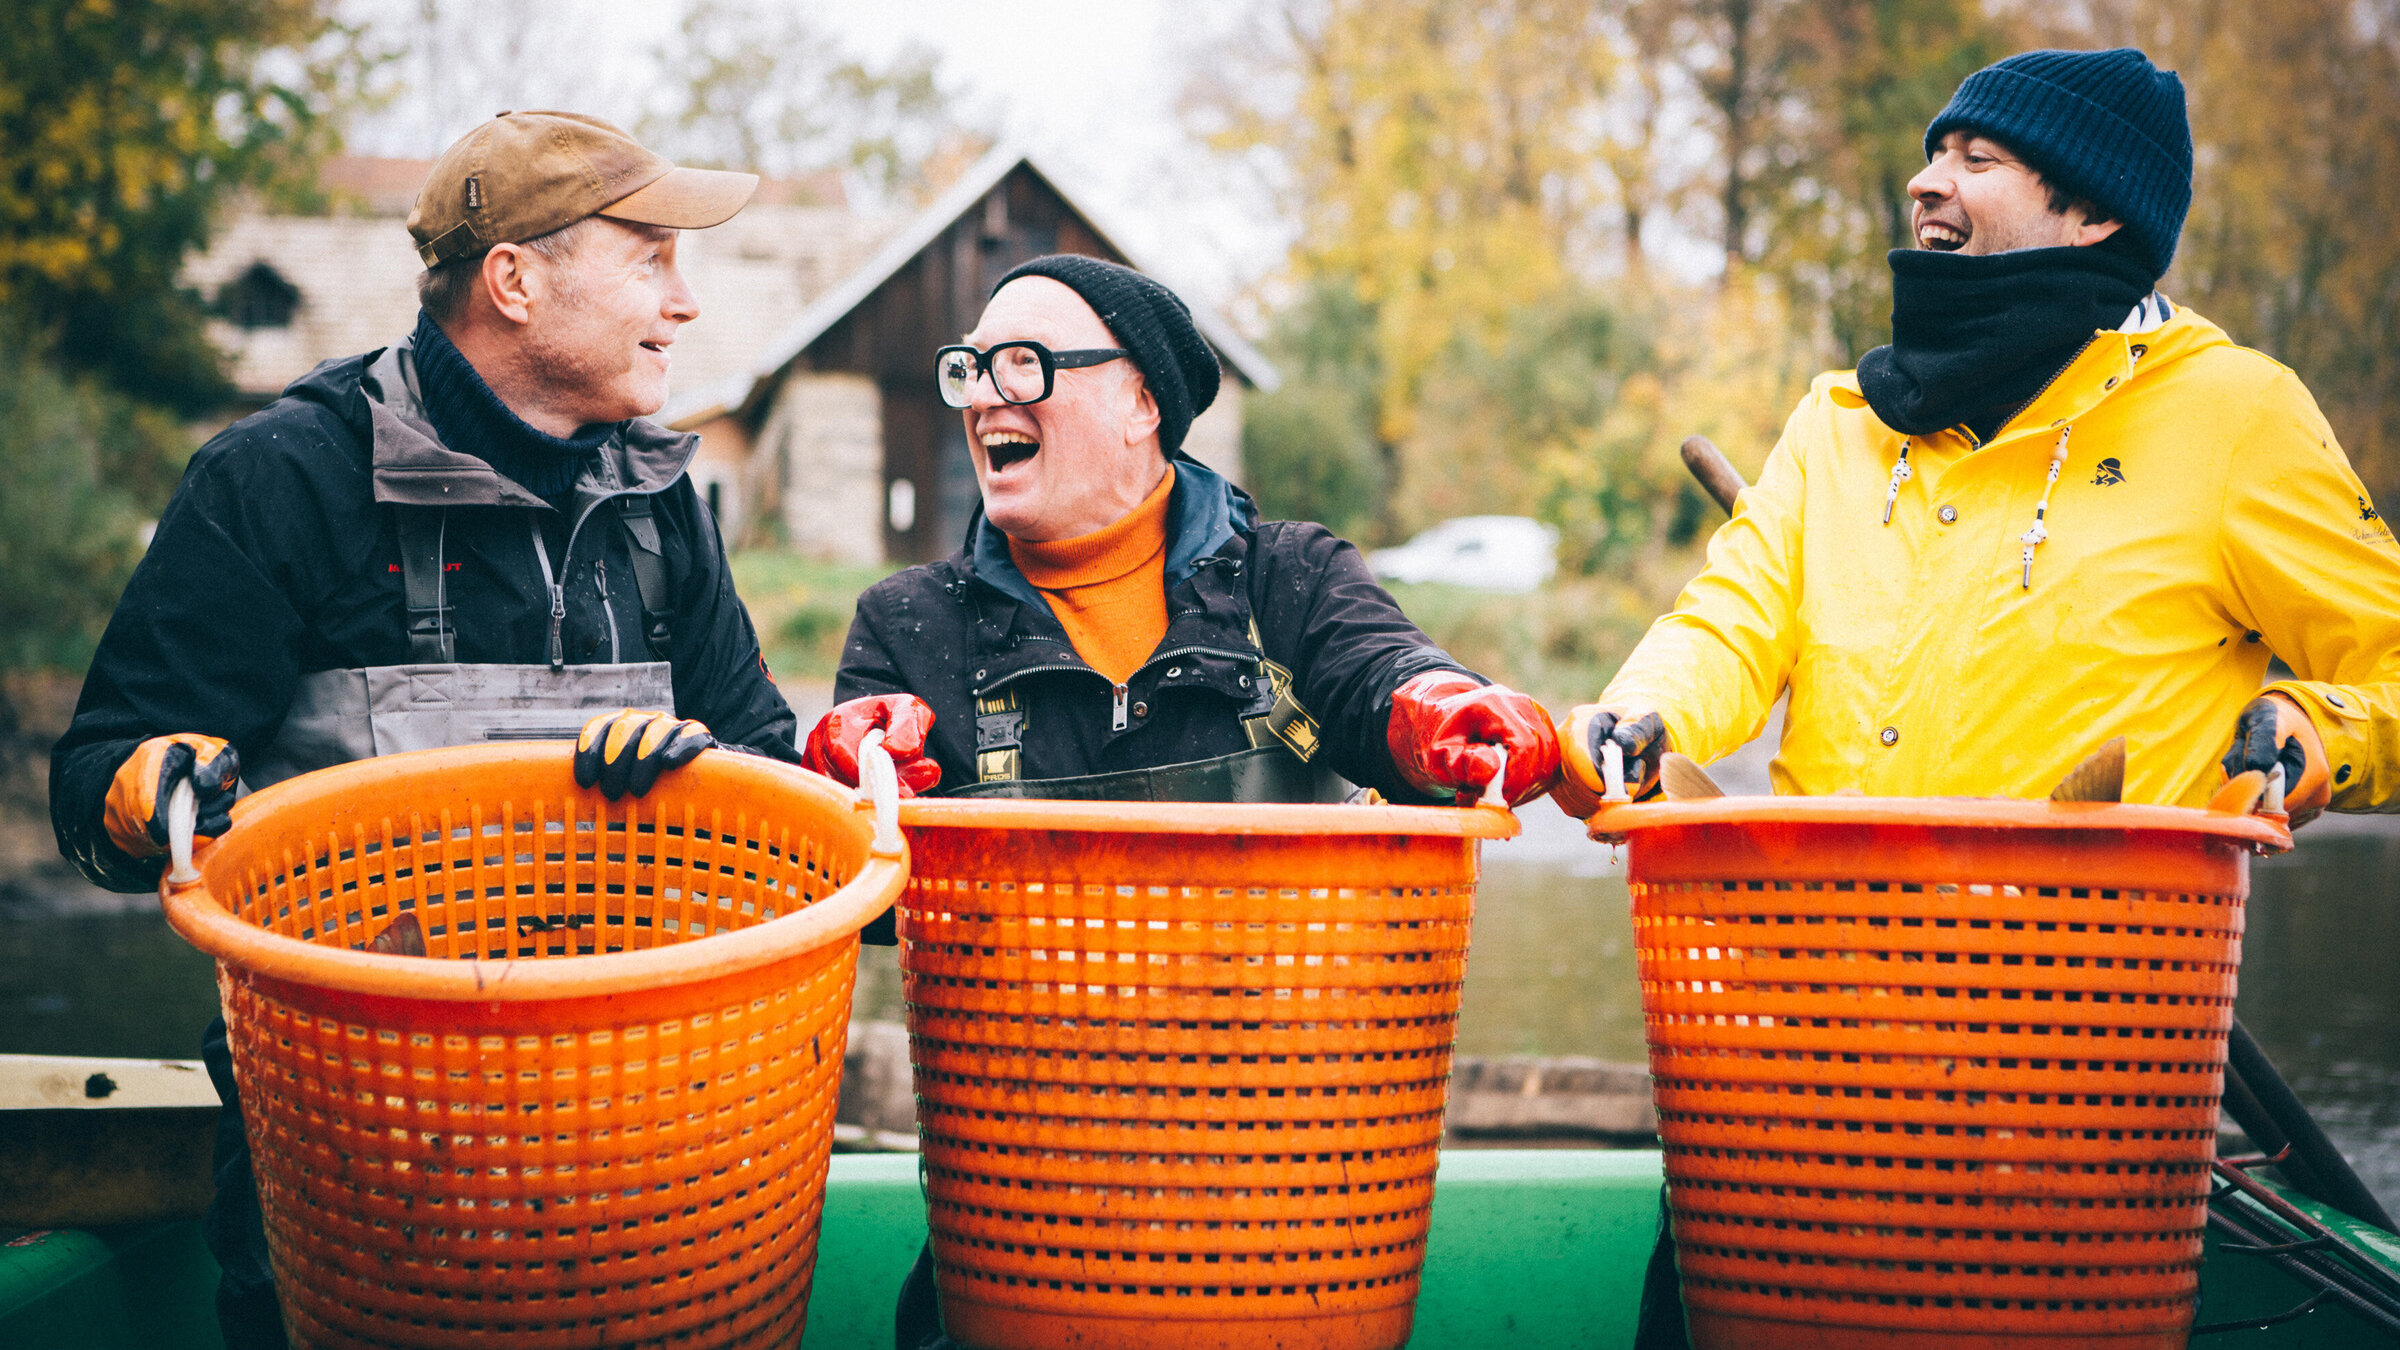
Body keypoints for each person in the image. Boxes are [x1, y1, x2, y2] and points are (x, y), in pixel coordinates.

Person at [1547, 48, 2400, 1346]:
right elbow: (1728, 622)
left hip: (2070, 1119)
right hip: (1795, 1082)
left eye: (1974, 159)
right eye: (1934, 152)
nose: (1925, 182)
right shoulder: (1838, 422)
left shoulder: (2235, 418)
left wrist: (2316, 731)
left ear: (2094, 212)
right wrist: (1645, 707)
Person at [49, 112, 798, 1347]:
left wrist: (718, 787)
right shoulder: (277, 478)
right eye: (651, 259)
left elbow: (773, 777)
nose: (686, 303)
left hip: (646, 1157)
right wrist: (147, 788)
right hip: (347, 1169)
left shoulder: (668, 507)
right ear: (515, 280)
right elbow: (97, 788)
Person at [791, 253, 1561, 1348]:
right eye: (972, 370)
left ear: (1142, 400)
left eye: (1025, 364)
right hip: (1018, 1226)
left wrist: (1441, 709)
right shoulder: (912, 625)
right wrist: (847, 777)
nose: (987, 398)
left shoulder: (1290, 579)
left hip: (1288, 1214)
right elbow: (863, 909)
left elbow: (1378, 670)